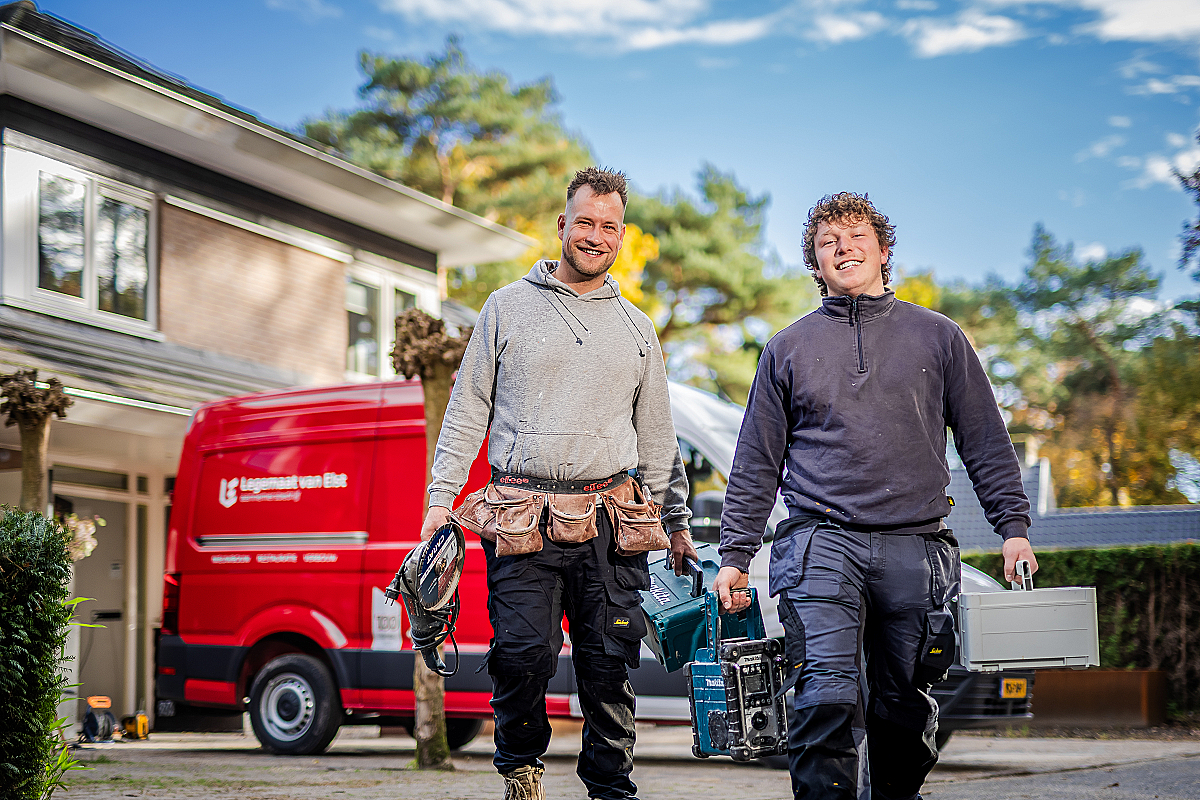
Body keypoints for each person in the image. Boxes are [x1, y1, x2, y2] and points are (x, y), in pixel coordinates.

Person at [712, 192, 1037, 800]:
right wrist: (735, 555)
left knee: (903, 709)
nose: (844, 249)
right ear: (815, 263)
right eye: (828, 242)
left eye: (857, 236)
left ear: (883, 250)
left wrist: (1012, 528)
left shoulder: (939, 337)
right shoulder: (786, 348)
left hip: (915, 545)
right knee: (825, 696)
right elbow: (756, 459)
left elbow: (984, 438)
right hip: (821, 543)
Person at [420, 166, 695, 800]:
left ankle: (610, 788)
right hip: (521, 517)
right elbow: (467, 409)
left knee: (609, 662)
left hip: (612, 523)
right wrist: (440, 498)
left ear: (621, 234)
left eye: (609, 226)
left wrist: (676, 522)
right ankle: (521, 768)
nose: (595, 236)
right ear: (562, 225)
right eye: (584, 222)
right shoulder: (505, 307)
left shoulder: (637, 328)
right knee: (523, 653)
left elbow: (657, 434)